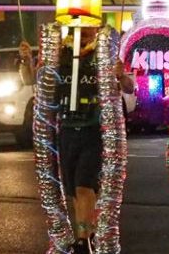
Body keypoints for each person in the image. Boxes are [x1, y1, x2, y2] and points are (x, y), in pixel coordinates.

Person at [54, 28, 133, 254]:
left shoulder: (103, 53)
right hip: (67, 129)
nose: (85, 29)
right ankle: (87, 234)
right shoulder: (62, 54)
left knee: (84, 186)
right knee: (75, 192)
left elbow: (129, 87)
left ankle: (83, 242)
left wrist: (120, 75)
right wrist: (26, 61)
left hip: (93, 130)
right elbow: (34, 80)